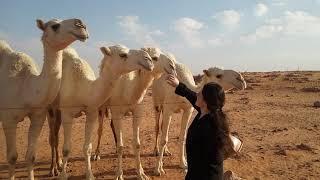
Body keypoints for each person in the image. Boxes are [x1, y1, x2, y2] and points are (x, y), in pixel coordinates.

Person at [166, 74, 230, 180]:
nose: (197, 94)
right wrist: (178, 85)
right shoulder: (208, 112)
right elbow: (191, 96)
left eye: (200, 93)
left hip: (204, 175)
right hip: (198, 171)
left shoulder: (209, 126)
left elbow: (209, 160)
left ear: (206, 101)